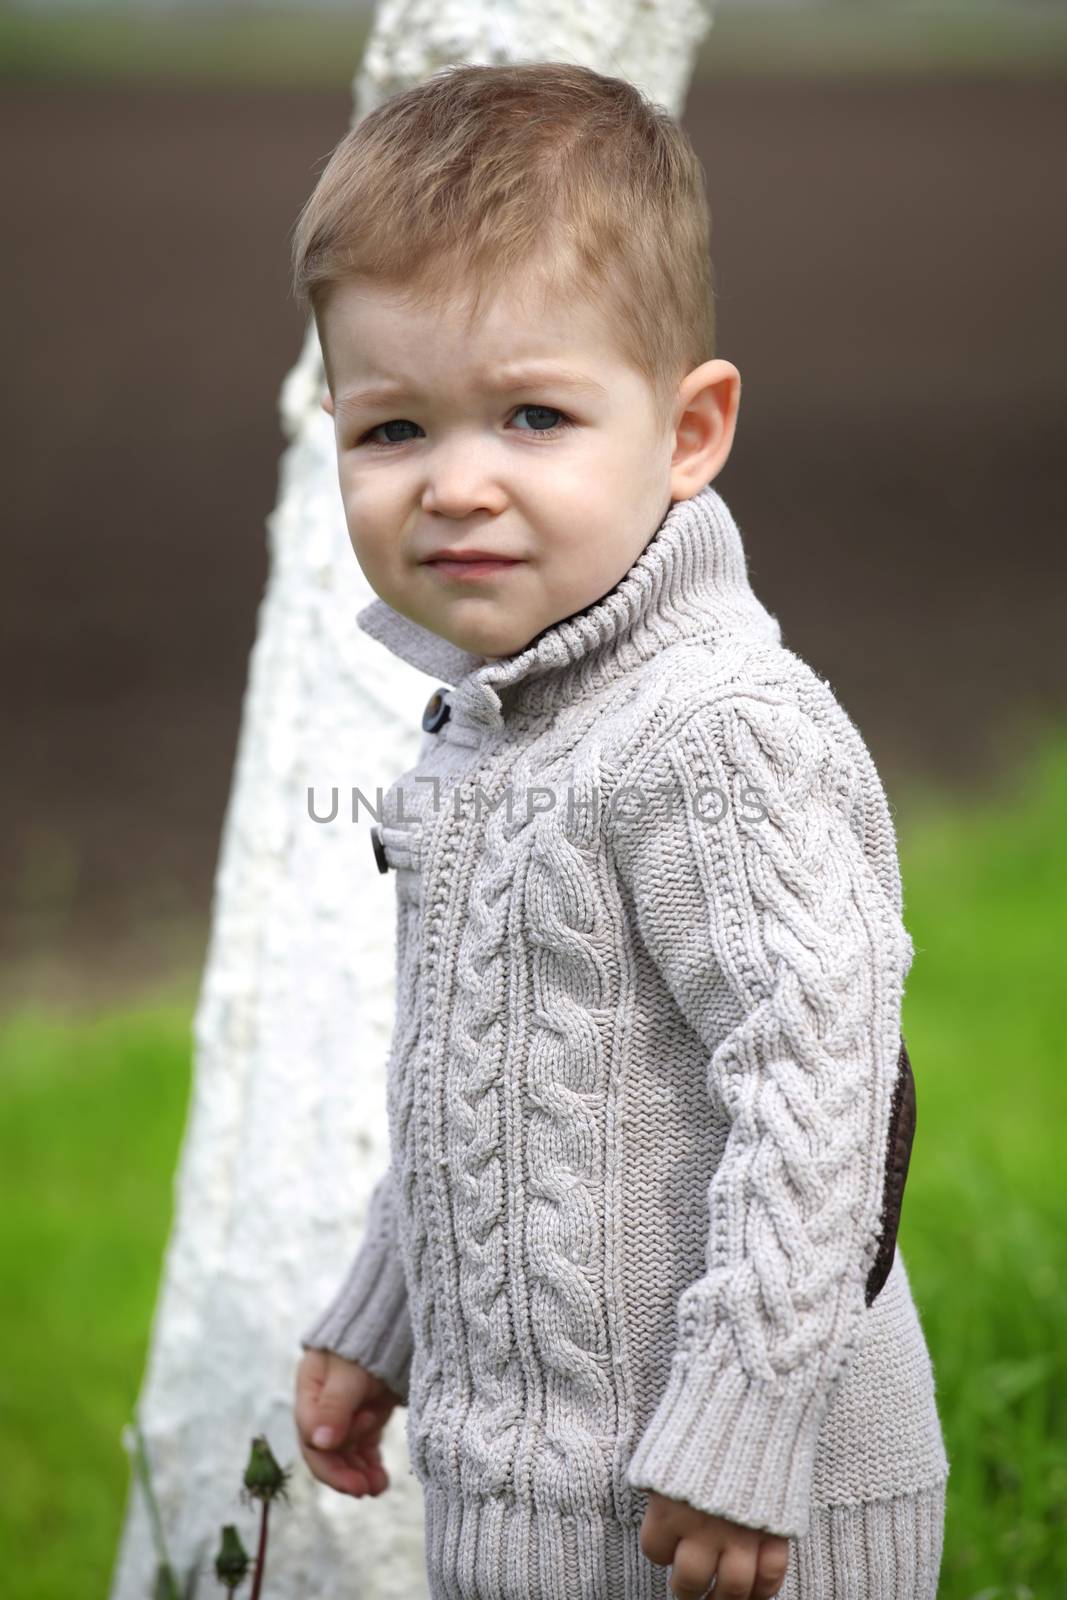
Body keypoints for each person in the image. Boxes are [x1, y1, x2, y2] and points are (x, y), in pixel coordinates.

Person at [289, 61, 950, 1600]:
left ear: (689, 429)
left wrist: (744, 1431)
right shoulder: (491, 723)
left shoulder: (715, 727)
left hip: (741, 1519)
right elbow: (482, 1072)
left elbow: (826, 1096)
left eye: (534, 414)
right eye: (392, 430)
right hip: (533, 1508)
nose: (458, 483)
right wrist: (381, 1311)